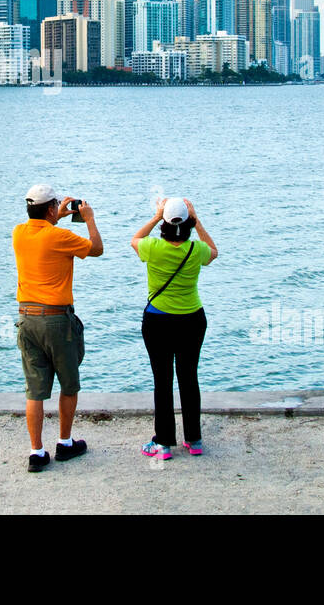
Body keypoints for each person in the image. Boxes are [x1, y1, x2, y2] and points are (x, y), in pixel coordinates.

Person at [12, 184, 104, 473]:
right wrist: (88, 218)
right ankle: (65, 443)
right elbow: (97, 249)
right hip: (56, 319)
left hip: (27, 318)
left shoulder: (18, 233)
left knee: (35, 391)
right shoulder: (61, 236)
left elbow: (42, 233)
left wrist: (56, 216)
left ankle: (36, 452)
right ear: (51, 208)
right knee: (68, 383)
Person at [131, 196, 217, 459]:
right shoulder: (196, 250)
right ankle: (194, 439)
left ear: (165, 224)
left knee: (163, 380)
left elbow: (134, 239)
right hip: (192, 319)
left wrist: (156, 215)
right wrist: (197, 220)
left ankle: (164, 443)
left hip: (158, 321)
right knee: (189, 378)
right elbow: (213, 251)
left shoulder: (153, 247)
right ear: (188, 223)